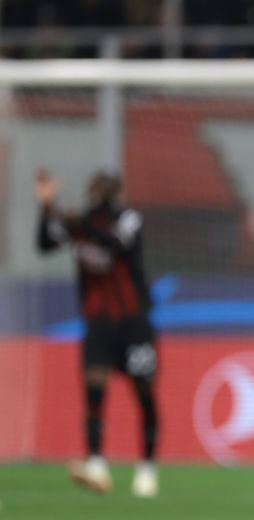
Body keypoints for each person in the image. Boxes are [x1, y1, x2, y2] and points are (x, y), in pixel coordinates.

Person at [35, 169, 160, 498]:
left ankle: (147, 467)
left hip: (134, 321)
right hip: (98, 322)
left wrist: (79, 225)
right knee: (94, 387)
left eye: (102, 188)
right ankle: (96, 462)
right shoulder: (80, 223)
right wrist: (46, 207)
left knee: (144, 392)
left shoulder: (128, 219)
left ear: (115, 192)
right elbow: (44, 244)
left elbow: (116, 245)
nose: (96, 193)